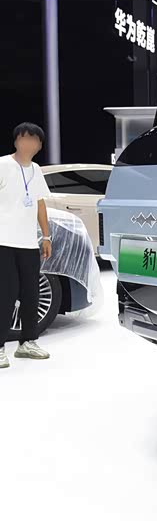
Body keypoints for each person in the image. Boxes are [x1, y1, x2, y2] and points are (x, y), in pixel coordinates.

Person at [0, 123, 53, 368]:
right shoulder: (3, 164)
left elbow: (40, 203)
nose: (28, 143)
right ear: (16, 141)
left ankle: (27, 342)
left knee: (31, 294)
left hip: (28, 243)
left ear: (40, 145)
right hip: (3, 242)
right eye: (24, 138)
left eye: (34, 140)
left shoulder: (36, 170)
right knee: (6, 294)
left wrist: (46, 236)